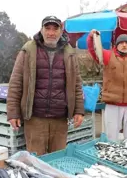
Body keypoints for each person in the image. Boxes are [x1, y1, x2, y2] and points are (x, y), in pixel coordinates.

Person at [6, 16, 85, 155]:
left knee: (57, 158)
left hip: (60, 118)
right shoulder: (28, 50)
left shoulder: (69, 52)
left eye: (55, 29)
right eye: (47, 28)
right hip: (35, 117)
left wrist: (79, 110)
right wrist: (13, 113)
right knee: (36, 161)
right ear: (41, 30)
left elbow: (77, 84)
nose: (51, 33)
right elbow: (15, 82)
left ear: (61, 31)